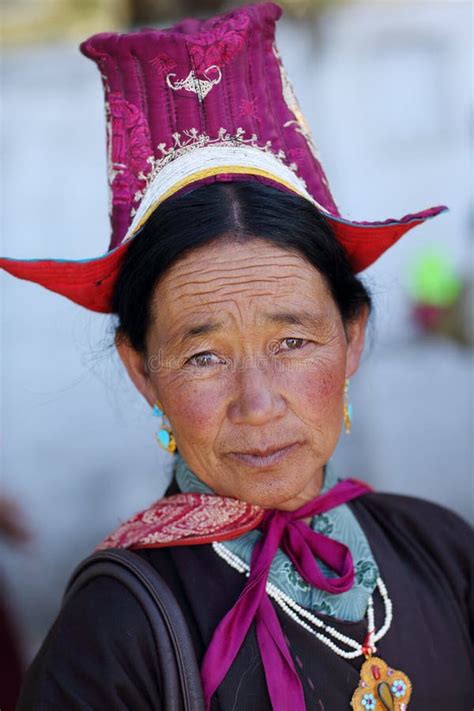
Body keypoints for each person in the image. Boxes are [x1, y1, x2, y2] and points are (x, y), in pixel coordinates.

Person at [1, 3, 472, 709]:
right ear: (142, 370)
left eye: (292, 341)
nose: (258, 402)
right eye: (204, 357)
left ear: (353, 338)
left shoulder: (439, 550)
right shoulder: (113, 636)